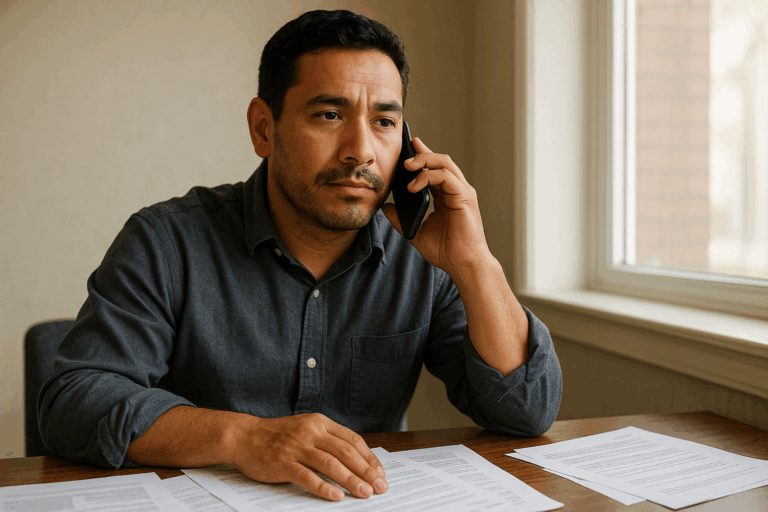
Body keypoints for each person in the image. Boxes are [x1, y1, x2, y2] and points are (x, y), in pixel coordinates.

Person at [38, 9, 562, 503]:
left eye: (384, 122)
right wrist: (242, 437)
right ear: (264, 128)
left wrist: (475, 263)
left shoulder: (425, 256)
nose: (360, 150)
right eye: (330, 114)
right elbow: (73, 402)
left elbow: (526, 413)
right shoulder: (165, 242)